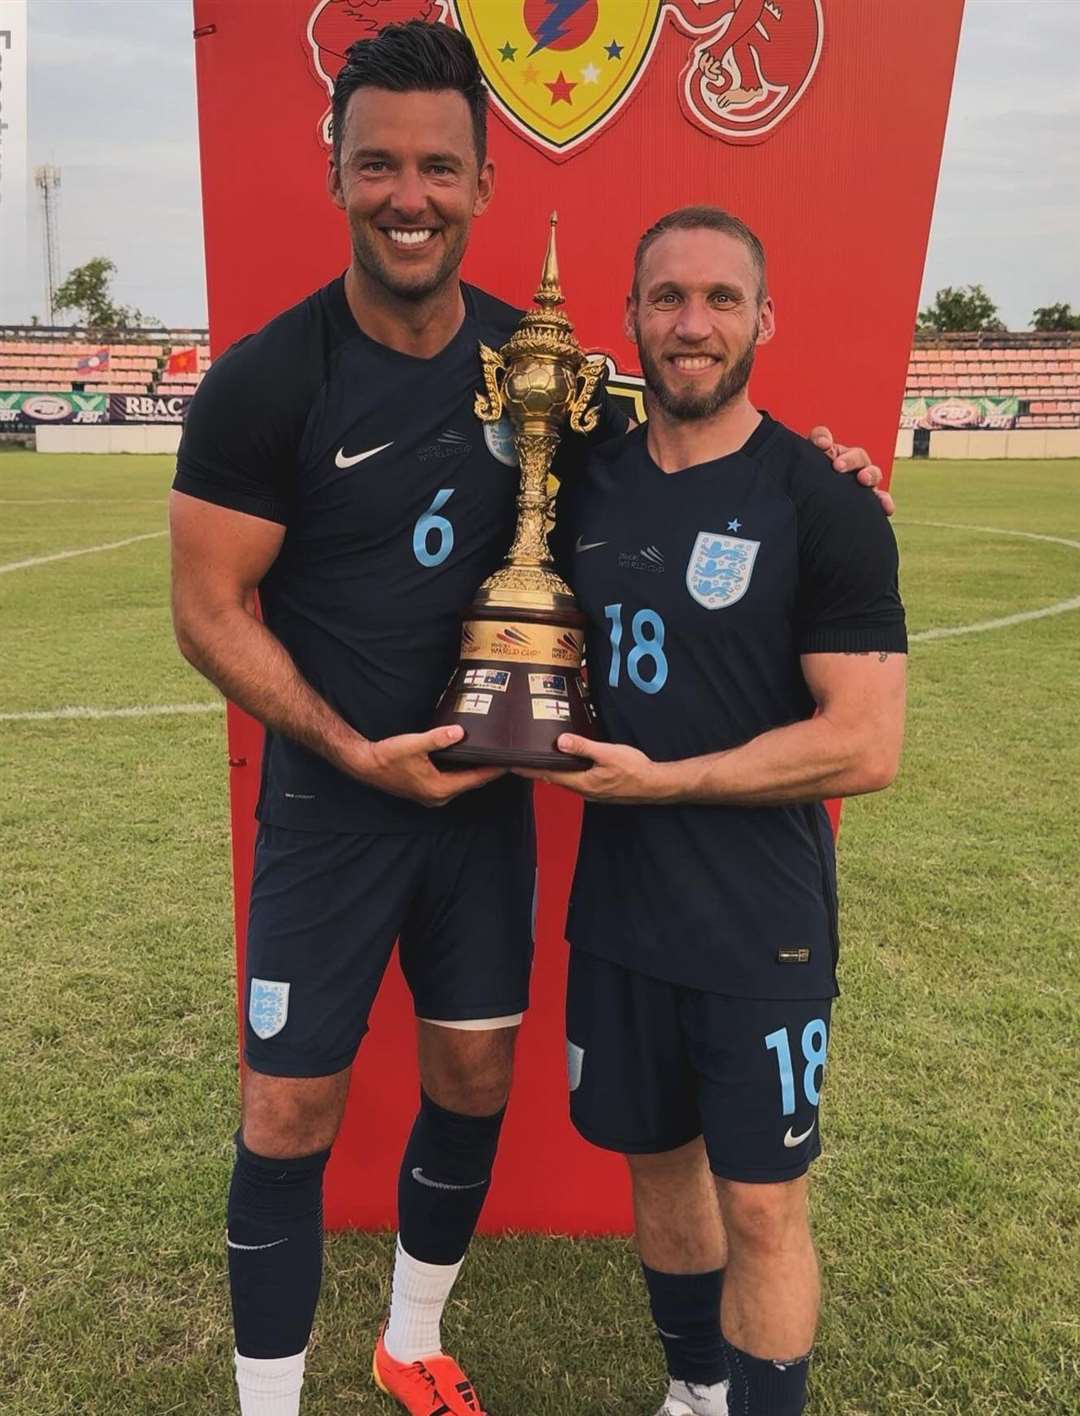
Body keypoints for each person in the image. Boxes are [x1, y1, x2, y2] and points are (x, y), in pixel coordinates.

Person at [169, 23, 887, 1416]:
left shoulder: (536, 360)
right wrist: (345, 746)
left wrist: (833, 475)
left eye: (440, 166)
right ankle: (267, 1404)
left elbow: (700, 444)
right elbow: (207, 614)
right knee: (288, 1111)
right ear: (336, 173)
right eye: (378, 163)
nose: (409, 194)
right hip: (333, 805)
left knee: (477, 1074)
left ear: (486, 182)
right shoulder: (264, 381)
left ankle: (412, 1341)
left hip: (485, 807)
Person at [536, 207, 908, 1416]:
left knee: (761, 1199)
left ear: (763, 318)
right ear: (632, 316)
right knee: (658, 1167)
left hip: (762, 926)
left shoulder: (825, 500)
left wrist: (671, 781)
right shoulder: (582, 476)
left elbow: (864, 743)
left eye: (720, 299)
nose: (692, 325)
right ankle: (695, 1389)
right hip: (624, 913)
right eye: (666, 298)